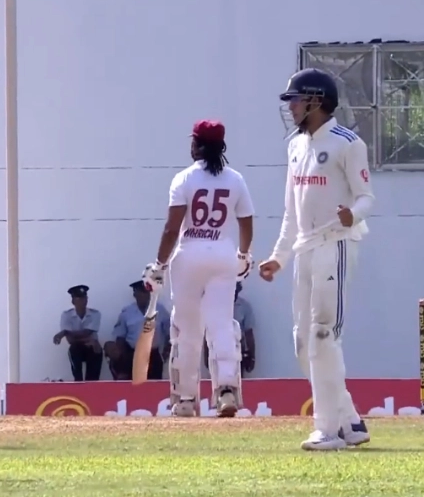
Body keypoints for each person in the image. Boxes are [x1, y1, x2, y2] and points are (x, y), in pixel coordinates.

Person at [258, 68, 374, 451]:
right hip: (305, 249)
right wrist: (278, 257)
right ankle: (350, 421)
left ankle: (326, 430)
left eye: (295, 99)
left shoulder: (347, 143)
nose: (290, 107)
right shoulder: (295, 146)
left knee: (325, 335)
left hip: (336, 242)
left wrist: (351, 215)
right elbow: (292, 212)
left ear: (316, 100)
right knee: (302, 342)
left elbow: (366, 197)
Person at [142, 120, 254, 418]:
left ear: (198, 145)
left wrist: (159, 265)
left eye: (193, 141)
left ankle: (186, 399)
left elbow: (171, 229)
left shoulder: (184, 179)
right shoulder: (235, 179)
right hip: (223, 255)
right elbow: (246, 221)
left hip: (188, 255)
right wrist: (244, 254)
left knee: (187, 329)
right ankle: (227, 392)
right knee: (221, 324)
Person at [104, 281, 170, 380]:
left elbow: (170, 332)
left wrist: (167, 351)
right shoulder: (127, 312)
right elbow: (120, 336)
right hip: (132, 354)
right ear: (135, 294)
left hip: (153, 354)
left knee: (154, 387)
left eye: (146, 292)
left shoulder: (160, 310)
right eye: (140, 293)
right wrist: (121, 361)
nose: (143, 295)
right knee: (131, 387)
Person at [203, 282, 256, 376]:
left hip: (237, 353)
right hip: (218, 353)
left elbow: (249, 333)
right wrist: (206, 355)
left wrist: (251, 356)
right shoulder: (214, 307)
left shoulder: (244, 307)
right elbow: (208, 331)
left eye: (235, 290)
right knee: (217, 384)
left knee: (238, 384)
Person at [53, 285, 103, 381]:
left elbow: (87, 332)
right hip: (77, 347)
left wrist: (65, 333)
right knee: (74, 350)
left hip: (92, 347)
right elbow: (71, 341)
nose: (82, 301)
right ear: (73, 301)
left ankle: (92, 385)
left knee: (96, 349)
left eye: (84, 298)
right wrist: (87, 338)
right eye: (78, 298)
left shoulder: (95, 314)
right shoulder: (66, 315)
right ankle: (78, 383)